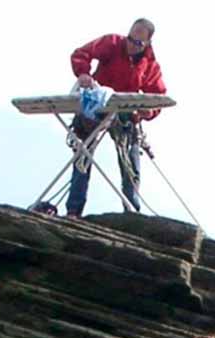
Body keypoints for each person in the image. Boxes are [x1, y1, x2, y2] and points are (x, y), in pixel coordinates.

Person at [65, 18, 167, 218]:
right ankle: (73, 210)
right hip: (97, 103)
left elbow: (158, 96)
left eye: (137, 43)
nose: (131, 45)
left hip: (126, 111)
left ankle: (131, 210)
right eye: (130, 39)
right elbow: (81, 53)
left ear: (146, 44)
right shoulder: (112, 43)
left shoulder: (150, 65)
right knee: (83, 152)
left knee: (130, 157)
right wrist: (84, 74)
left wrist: (149, 111)